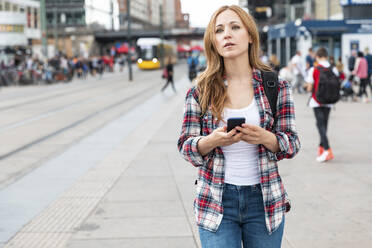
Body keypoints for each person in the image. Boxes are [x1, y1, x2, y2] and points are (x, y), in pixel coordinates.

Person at [177, 5, 300, 248]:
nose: (227, 34)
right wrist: (212, 141)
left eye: (235, 27)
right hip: (215, 200)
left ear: (250, 36)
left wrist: (266, 138)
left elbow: (292, 143)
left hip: (264, 201)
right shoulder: (200, 90)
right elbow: (185, 146)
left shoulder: (276, 86)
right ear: (213, 41)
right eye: (219, 30)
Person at [305, 47, 338, 163]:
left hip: (317, 101)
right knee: (324, 125)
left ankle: (327, 149)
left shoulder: (314, 69)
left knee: (320, 125)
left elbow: (309, 88)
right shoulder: (334, 69)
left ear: (317, 57)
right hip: (330, 101)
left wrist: (308, 87)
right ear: (326, 56)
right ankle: (321, 148)